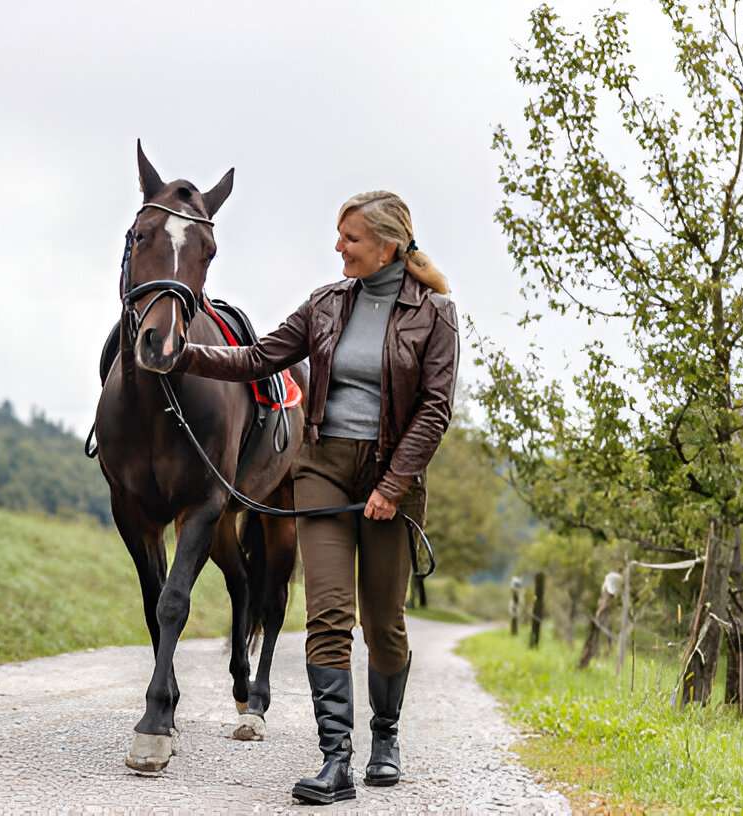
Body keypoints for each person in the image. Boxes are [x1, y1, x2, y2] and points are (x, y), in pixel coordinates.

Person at [173, 191, 460, 804]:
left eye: (350, 238)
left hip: (392, 480)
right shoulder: (327, 305)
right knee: (327, 615)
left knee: (383, 625)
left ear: (387, 245)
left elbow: (435, 409)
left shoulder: (435, 313)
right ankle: (336, 759)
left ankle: (386, 737)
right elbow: (258, 357)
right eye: (338, 235)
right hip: (324, 469)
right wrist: (184, 355)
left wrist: (392, 485)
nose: (338, 247)